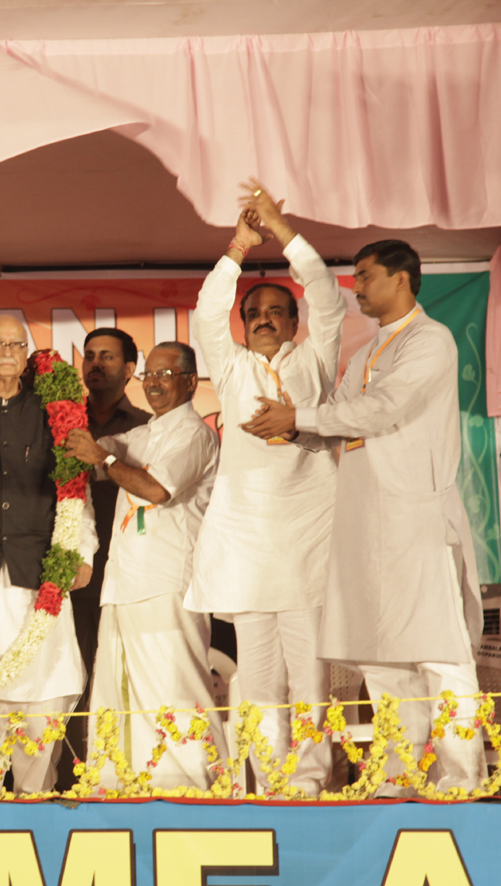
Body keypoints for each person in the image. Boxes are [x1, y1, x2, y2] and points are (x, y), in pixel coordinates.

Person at [244, 238, 485, 794]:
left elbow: (382, 409)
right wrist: (293, 424)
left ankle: (461, 778)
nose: (356, 287)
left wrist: (299, 416)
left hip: (415, 518)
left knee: (438, 654)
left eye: (366, 276)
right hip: (364, 522)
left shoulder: (430, 340)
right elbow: (337, 415)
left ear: (402, 279)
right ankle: (397, 777)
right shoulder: (368, 351)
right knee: (383, 659)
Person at [185, 185, 347, 794]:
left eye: (275, 312)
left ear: (294, 321)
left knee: (309, 673)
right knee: (256, 677)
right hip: (248, 539)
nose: (261, 321)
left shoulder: (314, 361)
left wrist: (281, 229)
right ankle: (268, 781)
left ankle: (307, 781)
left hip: (309, 530)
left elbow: (329, 297)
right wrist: (237, 248)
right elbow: (207, 312)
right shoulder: (231, 369)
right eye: (252, 314)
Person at [0, 313, 97, 793]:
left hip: (41, 575)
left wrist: (84, 552)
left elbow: (76, 490)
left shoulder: (54, 408)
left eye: (19, 343)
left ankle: (33, 804)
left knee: (41, 708)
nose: (9, 352)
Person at [66, 342, 219, 789]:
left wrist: (104, 459)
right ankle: (119, 788)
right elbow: (93, 453)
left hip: (168, 583)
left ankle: (192, 789)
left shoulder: (195, 434)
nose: (153, 383)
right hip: (125, 583)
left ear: (191, 382)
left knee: (174, 692)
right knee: (119, 694)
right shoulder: (145, 433)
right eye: (148, 375)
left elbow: (156, 490)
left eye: (164, 375)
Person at [70, 329, 150, 686]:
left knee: (123, 678)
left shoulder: (147, 428)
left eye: (107, 356)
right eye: (89, 356)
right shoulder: (61, 423)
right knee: (73, 674)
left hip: (129, 568)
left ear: (130, 369)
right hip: (74, 564)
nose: (95, 364)